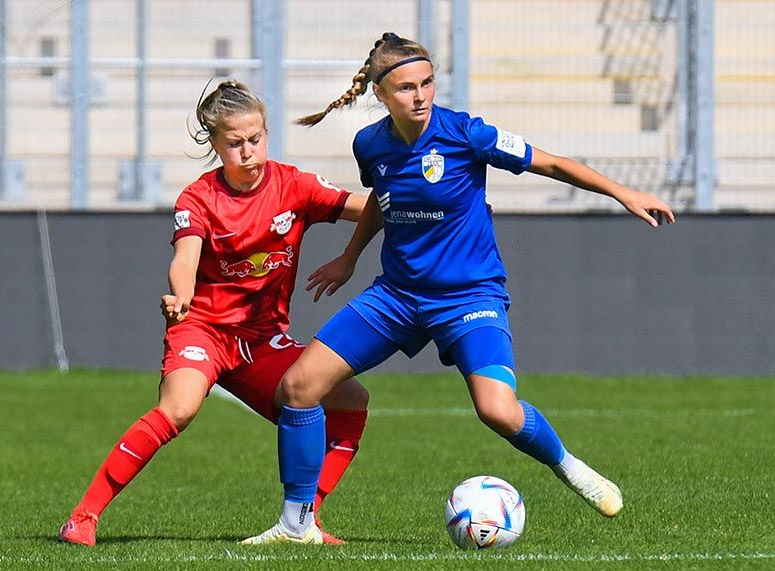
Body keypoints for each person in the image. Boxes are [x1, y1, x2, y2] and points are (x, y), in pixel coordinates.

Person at [241, 32, 676, 545]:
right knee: (298, 387)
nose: (420, 96)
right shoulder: (370, 143)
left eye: (427, 83)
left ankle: (570, 466)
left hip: (469, 298)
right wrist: (348, 258)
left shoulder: (467, 133)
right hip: (397, 297)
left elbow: (554, 163)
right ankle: (297, 525)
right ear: (380, 93)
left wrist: (623, 193)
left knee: (496, 409)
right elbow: (382, 198)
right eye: (406, 88)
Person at [58, 80, 370, 547]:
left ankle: (304, 521)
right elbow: (185, 258)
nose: (248, 151)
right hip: (203, 330)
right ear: (215, 143)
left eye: (256, 138)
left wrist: (430, 213)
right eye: (235, 143)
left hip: (263, 341)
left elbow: (371, 207)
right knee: (178, 410)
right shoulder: (199, 197)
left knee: (351, 401)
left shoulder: (295, 186)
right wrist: (180, 296)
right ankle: (82, 518)